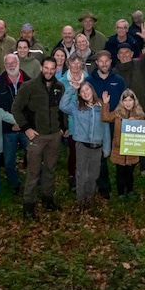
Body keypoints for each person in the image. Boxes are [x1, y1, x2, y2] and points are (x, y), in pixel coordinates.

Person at [12, 58, 68, 219]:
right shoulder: (29, 86)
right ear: (41, 68)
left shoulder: (59, 87)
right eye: (46, 68)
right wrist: (26, 128)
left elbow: (62, 109)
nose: (49, 71)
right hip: (36, 136)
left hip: (54, 136)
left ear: (56, 69)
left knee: (50, 168)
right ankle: (28, 205)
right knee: (33, 171)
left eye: (52, 68)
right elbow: (16, 108)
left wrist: (63, 128)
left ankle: (48, 199)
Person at [58, 81, 110, 210]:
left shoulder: (101, 106)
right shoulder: (76, 106)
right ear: (79, 95)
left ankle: (89, 198)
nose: (85, 93)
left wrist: (107, 147)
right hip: (82, 145)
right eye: (82, 92)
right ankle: (80, 200)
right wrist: (71, 89)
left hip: (97, 146)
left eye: (87, 90)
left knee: (93, 175)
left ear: (91, 90)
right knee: (82, 174)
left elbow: (106, 127)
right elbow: (62, 106)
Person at [88, 50, 126, 199]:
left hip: (116, 121)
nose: (104, 64)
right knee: (100, 156)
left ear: (111, 62)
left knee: (118, 153)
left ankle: (121, 186)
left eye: (107, 61)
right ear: (97, 63)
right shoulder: (90, 81)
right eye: (101, 61)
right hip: (98, 122)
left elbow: (125, 99)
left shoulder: (118, 79)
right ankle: (104, 187)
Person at [0, 54, 29, 193]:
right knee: (8, 160)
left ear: (18, 62)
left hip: (27, 128)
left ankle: (34, 181)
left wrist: (23, 123)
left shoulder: (28, 81)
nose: (11, 65)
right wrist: (11, 124)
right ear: (4, 65)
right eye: (8, 63)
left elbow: (33, 106)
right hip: (8, 129)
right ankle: (14, 183)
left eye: (13, 62)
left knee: (33, 156)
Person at [100, 89, 145, 199]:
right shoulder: (118, 114)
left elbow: (144, 129)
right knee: (120, 172)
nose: (128, 103)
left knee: (130, 172)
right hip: (118, 148)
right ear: (122, 102)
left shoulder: (140, 114)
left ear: (134, 101)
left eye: (130, 100)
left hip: (132, 148)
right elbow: (105, 117)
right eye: (125, 100)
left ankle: (129, 190)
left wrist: (136, 122)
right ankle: (120, 193)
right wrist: (105, 104)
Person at [57, 53, 90, 192]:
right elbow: (59, 106)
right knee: (74, 152)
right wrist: (62, 126)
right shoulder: (62, 82)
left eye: (79, 63)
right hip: (71, 124)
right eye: (73, 63)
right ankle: (73, 177)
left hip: (87, 124)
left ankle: (87, 177)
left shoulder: (89, 80)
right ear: (68, 64)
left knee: (87, 152)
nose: (76, 67)